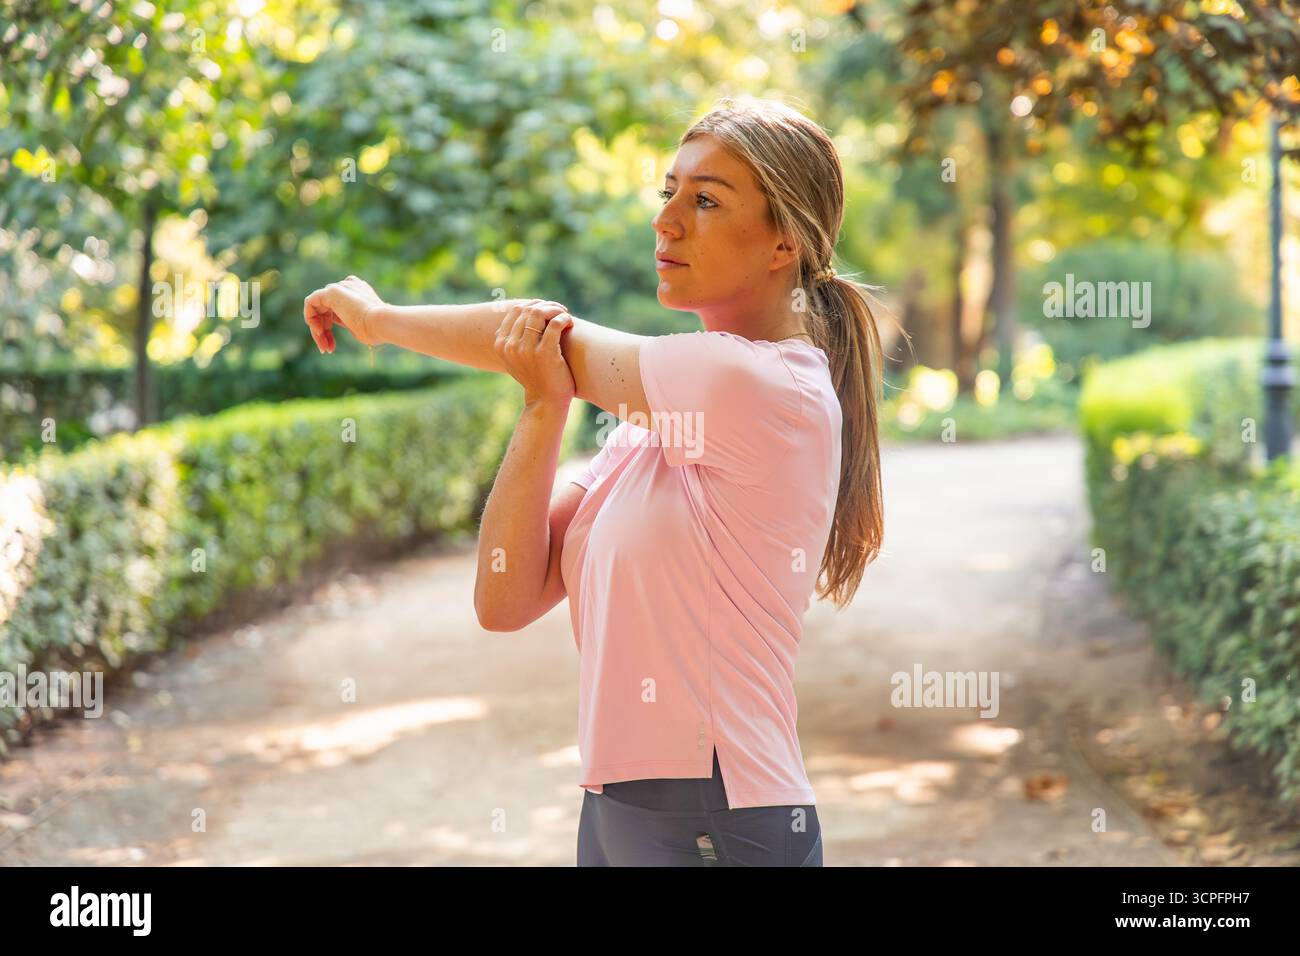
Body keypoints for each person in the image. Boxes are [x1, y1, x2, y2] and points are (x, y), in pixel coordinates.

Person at [303, 95, 888, 866]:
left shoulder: (763, 385)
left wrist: (377, 318)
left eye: (706, 199)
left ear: (784, 242)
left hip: (720, 810)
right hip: (617, 804)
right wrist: (543, 408)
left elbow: (545, 334)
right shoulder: (648, 432)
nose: (667, 219)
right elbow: (505, 599)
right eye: (668, 191)